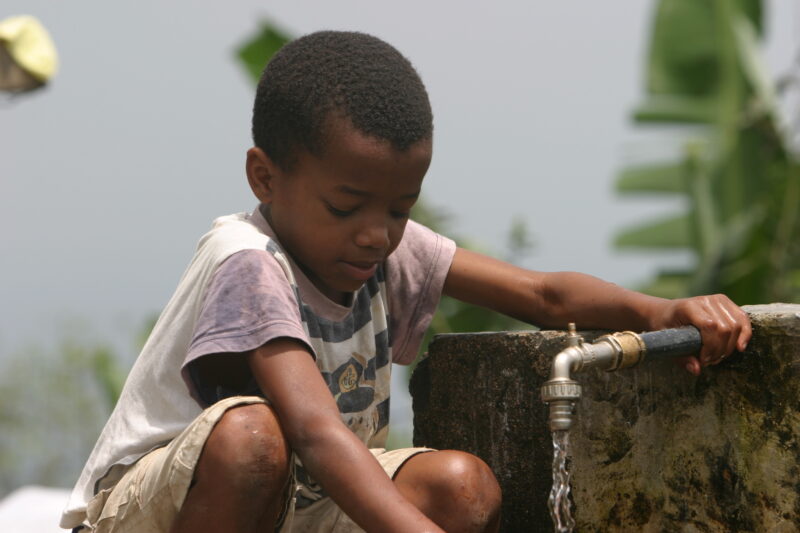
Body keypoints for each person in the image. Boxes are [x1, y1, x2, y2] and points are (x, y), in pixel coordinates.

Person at [61, 31, 751, 533]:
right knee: (253, 439)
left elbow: (542, 296)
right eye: (346, 206)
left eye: (400, 208)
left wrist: (659, 308)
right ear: (265, 177)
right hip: (156, 510)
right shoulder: (248, 259)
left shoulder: (381, 248)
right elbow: (316, 430)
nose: (377, 233)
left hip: (298, 503)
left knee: (463, 487)